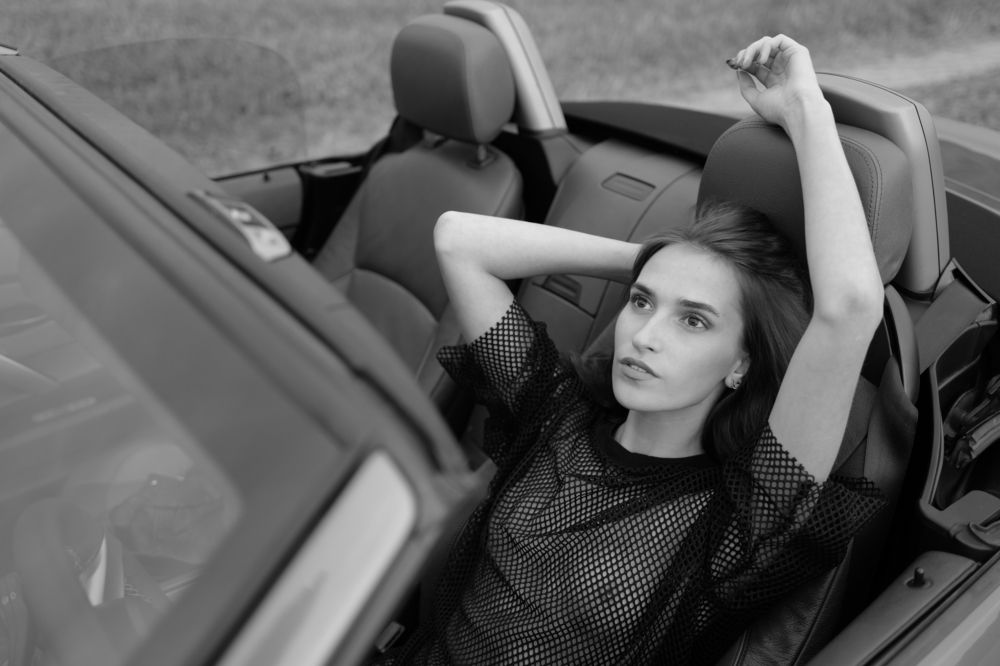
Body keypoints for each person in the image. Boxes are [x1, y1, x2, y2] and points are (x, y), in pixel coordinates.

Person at [388, 35, 886, 665]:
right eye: (643, 302)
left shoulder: (736, 521)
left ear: (741, 364)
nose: (645, 335)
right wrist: (662, 262)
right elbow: (459, 240)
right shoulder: (553, 416)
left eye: (694, 321)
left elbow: (850, 308)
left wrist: (802, 107)